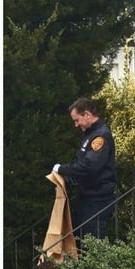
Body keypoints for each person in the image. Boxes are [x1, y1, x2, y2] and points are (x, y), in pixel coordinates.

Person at [51, 97, 116, 240]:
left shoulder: (101, 136)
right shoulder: (90, 135)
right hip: (87, 197)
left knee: (93, 242)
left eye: (77, 120)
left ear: (87, 114)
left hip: (97, 199)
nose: (76, 125)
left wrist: (62, 169)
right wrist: (67, 179)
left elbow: (89, 167)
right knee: (82, 242)